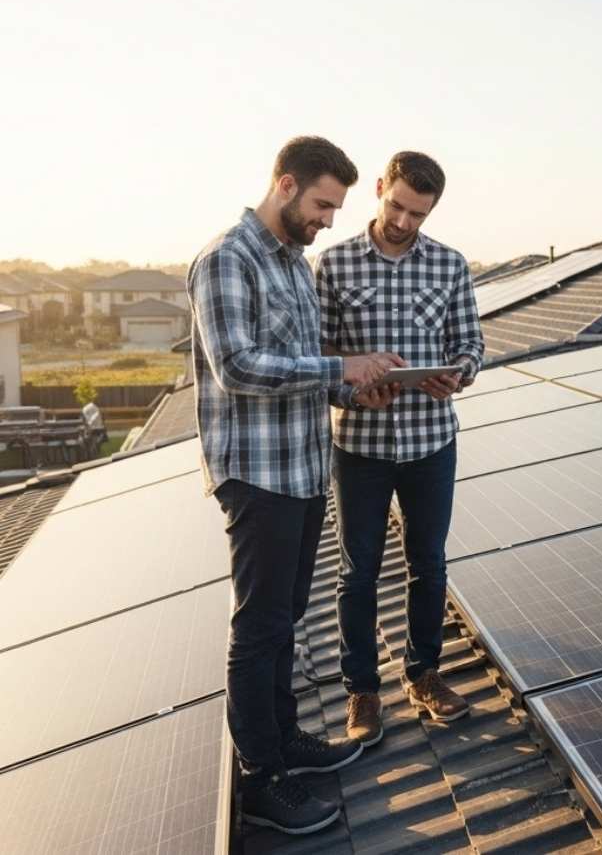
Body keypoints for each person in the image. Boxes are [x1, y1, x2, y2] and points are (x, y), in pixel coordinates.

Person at [188, 136, 404, 835]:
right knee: (259, 630)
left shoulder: (294, 266)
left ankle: (284, 739)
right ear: (284, 185)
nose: (329, 220)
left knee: (287, 623)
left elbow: (304, 370)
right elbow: (241, 368)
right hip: (258, 476)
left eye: (336, 207)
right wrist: (341, 368)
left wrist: (352, 392)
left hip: (306, 472)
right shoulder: (226, 259)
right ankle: (261, 780)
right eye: (321, 204)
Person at [314, 150, 484, 748]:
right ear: (380, 188)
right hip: (359, 446)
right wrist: (355, 396)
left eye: (418, 213)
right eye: (397, 207)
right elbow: (319, 358)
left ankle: (424, 674)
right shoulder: (330, 266)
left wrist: (456, 375)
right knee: (358, 572)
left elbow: (471, 346)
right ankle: (362, 689)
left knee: (428, 565)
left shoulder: (450, 265)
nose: (405, 222)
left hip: (431, 443)